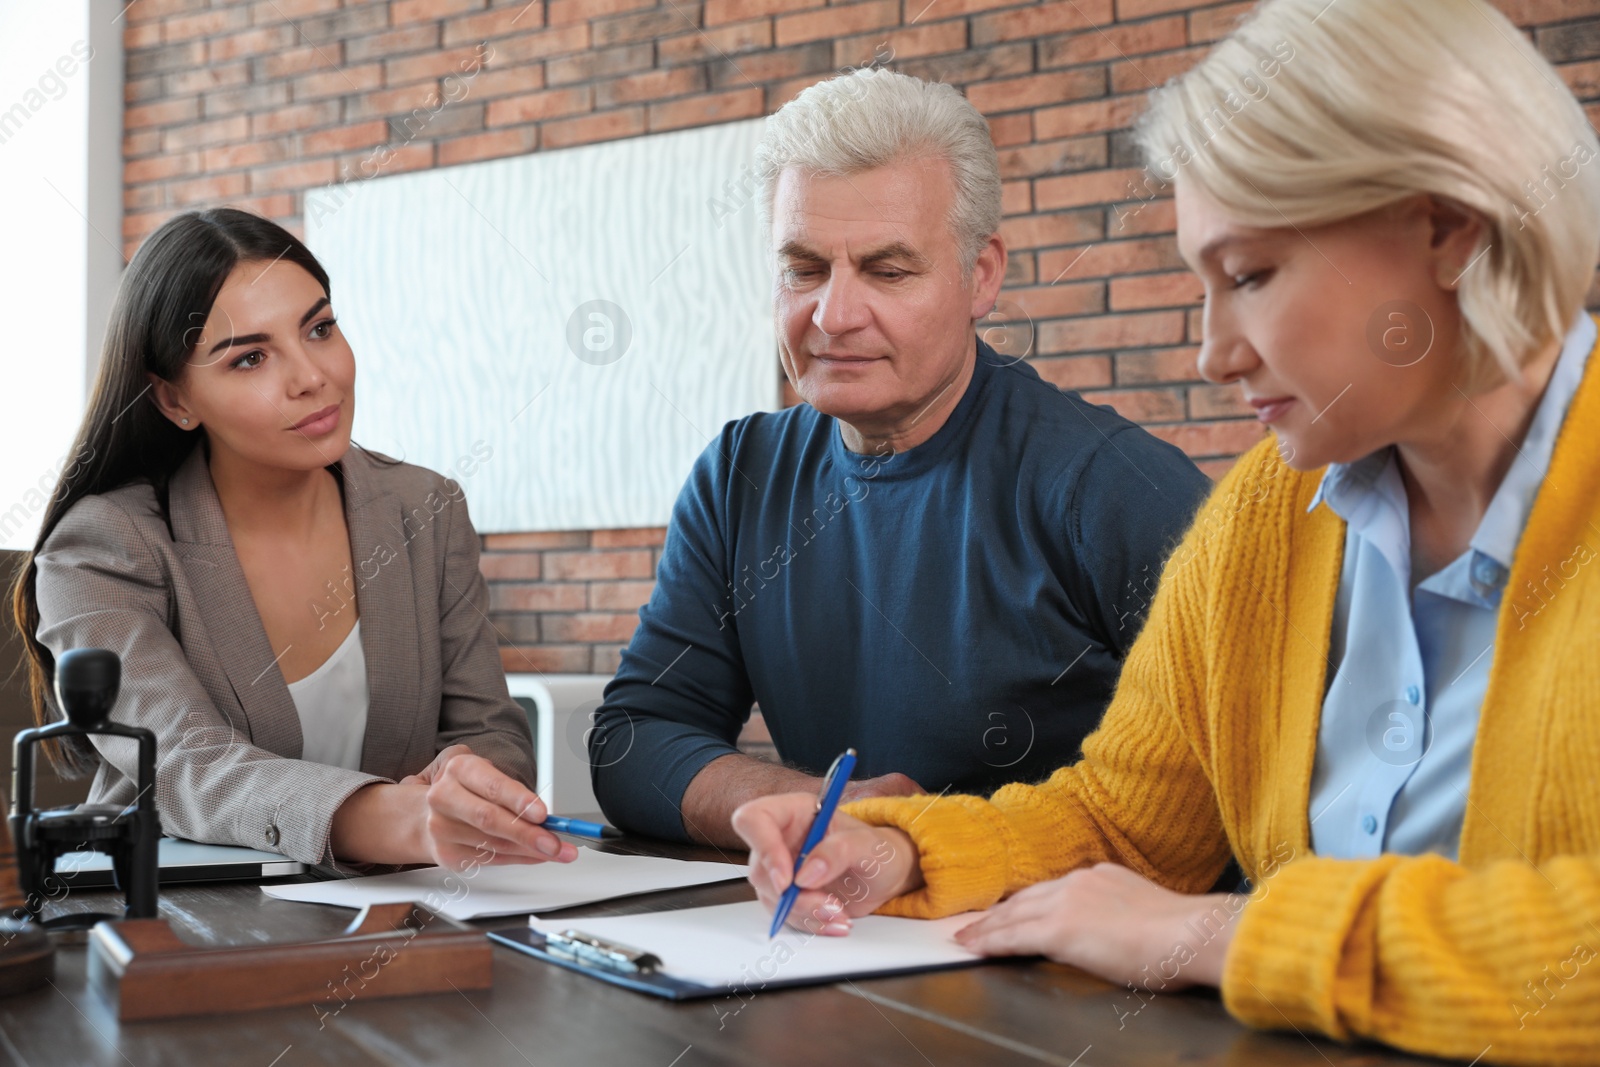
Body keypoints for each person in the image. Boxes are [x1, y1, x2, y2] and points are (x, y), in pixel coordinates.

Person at [731, 1, 1600, 1062]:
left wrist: (1222, 932)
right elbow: (1126, 822)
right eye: (1198, 283)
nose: (1211, 351)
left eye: (1248, 276)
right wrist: (898, 851)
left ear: (1449, 228)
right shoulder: (1263, 520)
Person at [591, 68, 1212, 848]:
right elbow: (633, 740)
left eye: (887, 271)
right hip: (835, 941)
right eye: (804, 269)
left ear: (980, 275)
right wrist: (823, 805)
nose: (834, 315)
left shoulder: (1112, 487)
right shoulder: (739, 476)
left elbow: (1244, 787)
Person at [13, 209, 578, 873]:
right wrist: (380, 818)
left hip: (408, 909)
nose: (312, 375)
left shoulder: (426, 507)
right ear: (174, 400)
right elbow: (183, 764)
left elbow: (490, 729)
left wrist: (470, 777)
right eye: (250, 357)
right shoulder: (104, 545)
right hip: (186, 922)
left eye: (319, 328)